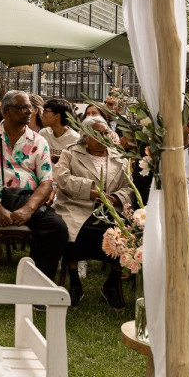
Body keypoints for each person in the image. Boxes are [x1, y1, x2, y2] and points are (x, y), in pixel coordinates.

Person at [0, 90, 68, 282]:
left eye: (30, 107)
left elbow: (46, 182)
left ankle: (41, 284)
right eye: (23, 107)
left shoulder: (39, 141)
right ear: (8, 111)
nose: (30, 111)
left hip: (27, 198)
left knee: (57, 228)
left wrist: (28, 209)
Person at [53, 115, 134, 309]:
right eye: (97, 133)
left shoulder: (119, 156)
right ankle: (74, 282)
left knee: (122, 233)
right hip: (76, 205)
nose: (103, 136)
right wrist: (89, 191)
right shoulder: (71, 153)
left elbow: (129, 186)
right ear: (85, 136)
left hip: (110, 209)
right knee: (72, 231)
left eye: (105, 132)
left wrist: (115, 198)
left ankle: (112, 283)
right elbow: (62, 178)